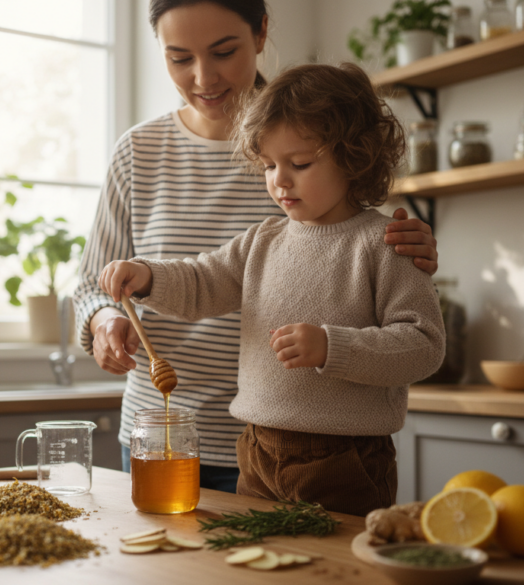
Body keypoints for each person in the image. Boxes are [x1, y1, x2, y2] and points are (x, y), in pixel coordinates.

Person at [73, 0, 439, 494]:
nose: (203, 77)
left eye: (223, 51)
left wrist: (338, 341)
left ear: (261, 32)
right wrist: (141, 282)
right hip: (193, 437)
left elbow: (413, 330)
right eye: (179, 58)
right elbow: (200, 279)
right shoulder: (253, 224)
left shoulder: (318, 136)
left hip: (327, 449)